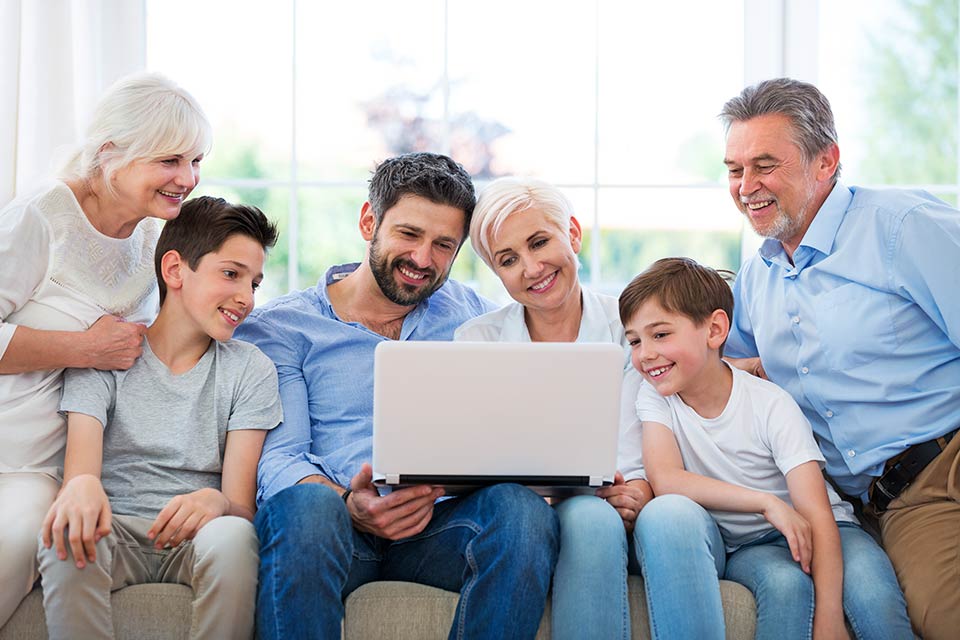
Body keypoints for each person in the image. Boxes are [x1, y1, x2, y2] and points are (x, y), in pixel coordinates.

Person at [235, 152, 560, 640]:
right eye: (409, 235)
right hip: (336, 527)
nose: (423, 259)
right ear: (370, 222)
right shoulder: (284, 327)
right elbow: (281, 459)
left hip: (439, 528)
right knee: (305, 508)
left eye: (443, 245)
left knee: (522, 512)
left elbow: (526, 410)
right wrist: (349, 503)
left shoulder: (474, 316)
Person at [720, 77, 960, 639]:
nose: (746, 186)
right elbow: (716, 378)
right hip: (893, 502)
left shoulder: (903, 227)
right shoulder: (758, 276)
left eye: (765, 165)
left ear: (825, 161)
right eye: (735, 170)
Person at [0, 72, 210, 626]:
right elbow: (98, 349)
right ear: (112, 153)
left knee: (19, 540)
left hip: (44, 466)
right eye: (170, 160)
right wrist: (83, 347)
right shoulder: (43, 216)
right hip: (4, 444)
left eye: (196, 161)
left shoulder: (153, 238)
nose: (187, 178)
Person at [621, 257, 912, 640]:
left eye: (660, 335)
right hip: (749, 545)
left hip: (829, 527)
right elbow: (667, 478)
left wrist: (828, 618)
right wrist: (766, 502)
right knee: (784, 587)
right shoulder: (655, 397)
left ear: (714, 329)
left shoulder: (770, 403)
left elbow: (816, 515)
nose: (645, 354)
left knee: (875, 599)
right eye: (635, 341)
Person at [36, 196, 282, 640]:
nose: (245, 298)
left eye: (255, 283)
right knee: (64, 537)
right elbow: (81, 478)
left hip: (200, 537)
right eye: (231, 274)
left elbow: (240, 506)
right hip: (116, 528)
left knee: (234, 539)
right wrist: (81, 486)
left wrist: (219, 504)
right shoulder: (106, 351)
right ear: (174, 271)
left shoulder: (251, 368)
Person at [454, 176, 651, 640]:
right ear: (497, 274)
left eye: (539, 242)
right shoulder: (476, 341)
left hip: (613, 501)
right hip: (532, 513)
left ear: (574, 235)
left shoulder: (631, 327)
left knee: (594, 518)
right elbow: (479, 462)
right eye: (508, 260)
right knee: (588, 518)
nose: (531, 267)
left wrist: (639, 487)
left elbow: (641, 436)